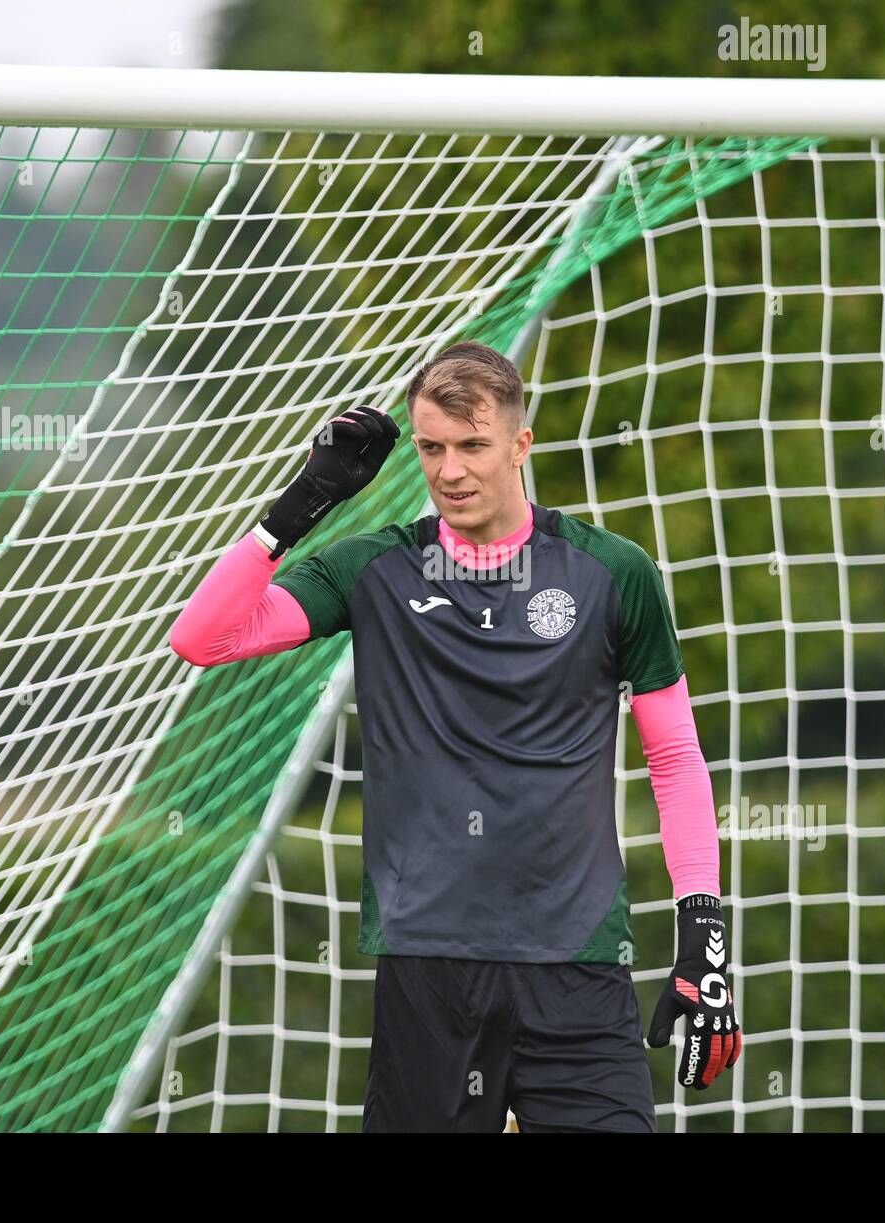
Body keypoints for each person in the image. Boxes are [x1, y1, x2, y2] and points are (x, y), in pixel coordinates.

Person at [169, 341, 741, 1132]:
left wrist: (703, 936)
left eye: (472, 445)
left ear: (519, 444)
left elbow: (674, 757)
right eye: (432, 447)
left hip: (577, 969)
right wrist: (299, 505)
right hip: (430, 974)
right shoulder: (373, 569)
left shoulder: (612, 571)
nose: (451, 470)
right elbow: (204, 637)